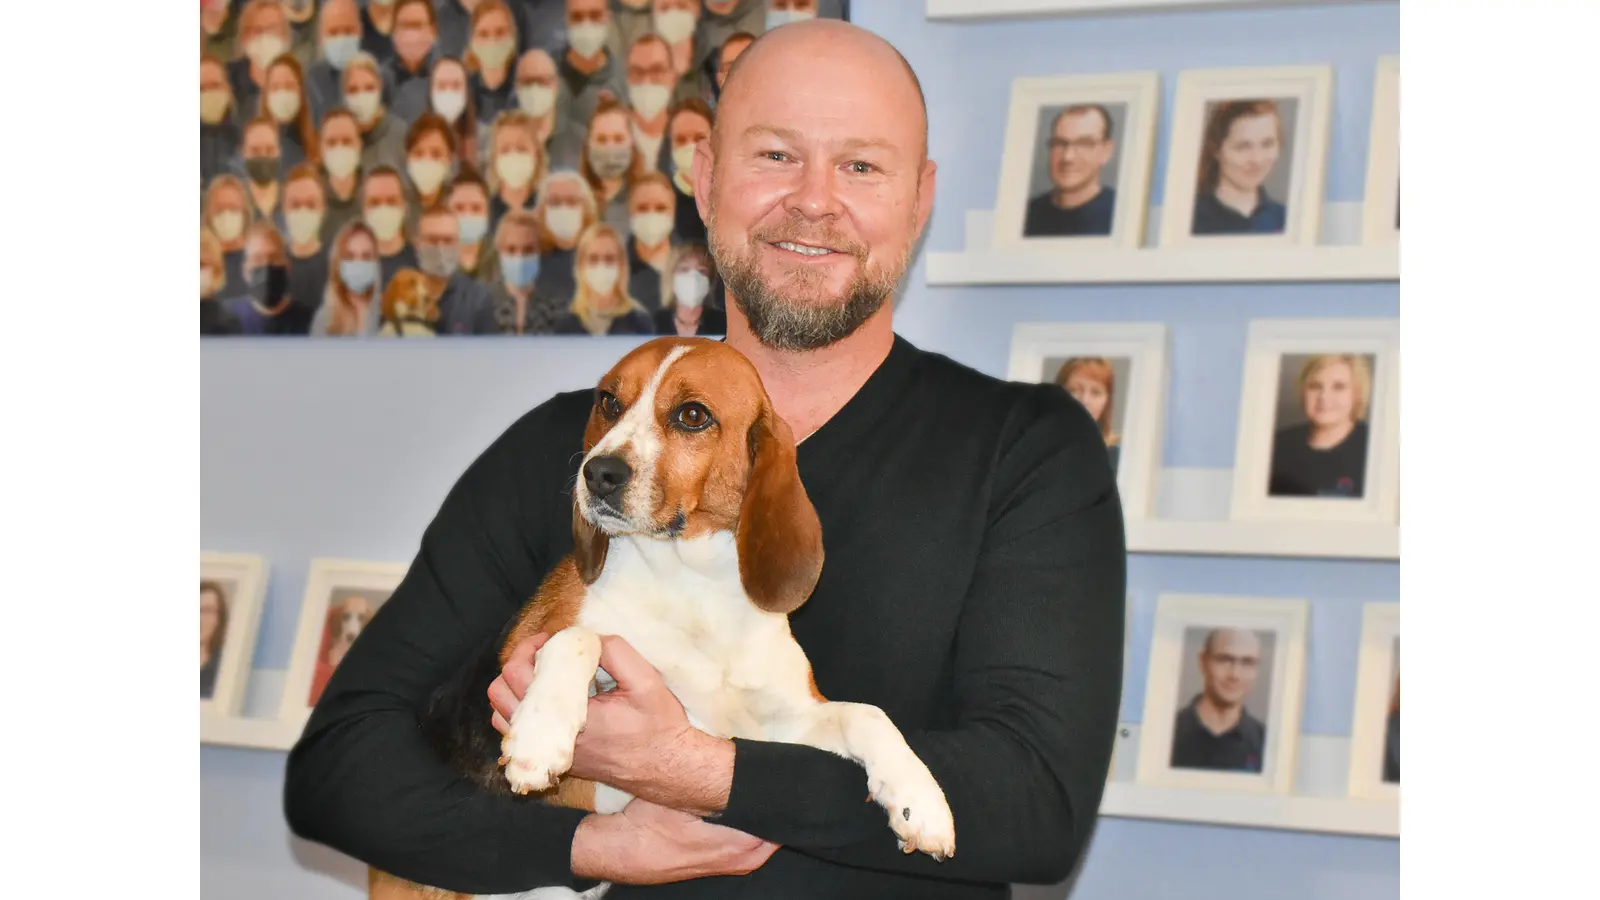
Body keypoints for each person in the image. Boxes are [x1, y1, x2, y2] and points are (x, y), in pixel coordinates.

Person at [284, 19, 1124, 899]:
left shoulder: (1027, 450)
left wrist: (701, 772)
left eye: (861, 166)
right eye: (774, 155)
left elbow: (1038, 809)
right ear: (705, 176)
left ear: (919, 200)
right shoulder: (575, 452)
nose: (813, 200)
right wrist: (589, 849)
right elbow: (340, 769)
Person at [1169, 629, 1267, 773]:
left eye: (1247, 662)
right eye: (1224, 660)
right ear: (1203, 661)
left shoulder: (1266, 743)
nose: (1235, 675)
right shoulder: (1166, 732)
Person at [1022, 105, 1117, 238]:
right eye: (1059, 143)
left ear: (1106, 151)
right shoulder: (1024, 215)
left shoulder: (1121, 214)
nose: (1068, 157)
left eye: (1084, 143)